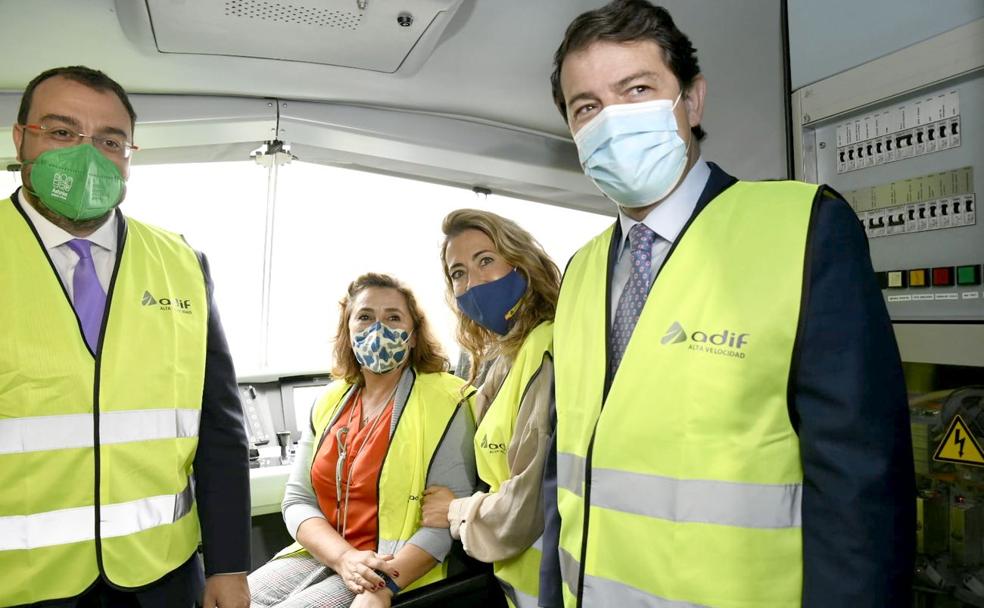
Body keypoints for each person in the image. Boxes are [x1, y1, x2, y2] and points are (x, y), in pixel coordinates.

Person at [539, 2, 916, 607]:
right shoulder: (580, 271)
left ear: (691, 101)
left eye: (638, 89)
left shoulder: (804, 229)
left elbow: (860, 493)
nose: (612, 120)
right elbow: (568, 478)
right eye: (587, 107)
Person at [0, 66, 251, 607]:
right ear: (20, 139)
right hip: (20, 585)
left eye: (109, 141)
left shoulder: (183, 262)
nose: (87, 155)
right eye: (62, 132)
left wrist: (229, 565)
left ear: (128, 157)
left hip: (163, 575)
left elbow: (219, 427)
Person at [249, 273, 477, 608]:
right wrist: (342, 557)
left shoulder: (448, 400)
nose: (378, 329)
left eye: (393, 317)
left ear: (413, 336)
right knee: (226, 600)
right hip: (328, 554)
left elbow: (442, 524)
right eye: (366, 317)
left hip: (392, 565)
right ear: (349, 331)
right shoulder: (328, 400)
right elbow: (297, 500)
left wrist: (382, 587)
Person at [419, 209, 561, 608]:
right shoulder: (505, 357)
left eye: (485, 261)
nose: (472, 282)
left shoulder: (546, 351)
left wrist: (454, 510)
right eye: (458, 273)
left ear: (521, 263)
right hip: (516, 581)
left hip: (549, 581)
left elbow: (525, 507)